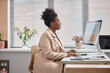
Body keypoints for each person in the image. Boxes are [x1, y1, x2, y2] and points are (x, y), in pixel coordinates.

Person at [32, 8, 78, 73]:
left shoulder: (53, 34)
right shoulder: (46, 35)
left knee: (72, 65)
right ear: (52, 24)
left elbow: (55, 51)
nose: (60, 23)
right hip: (47, 65)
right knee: (71, 67)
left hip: (53, 61)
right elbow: (49, 54)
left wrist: (67, 53)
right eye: (58, 21)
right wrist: (66, 55)